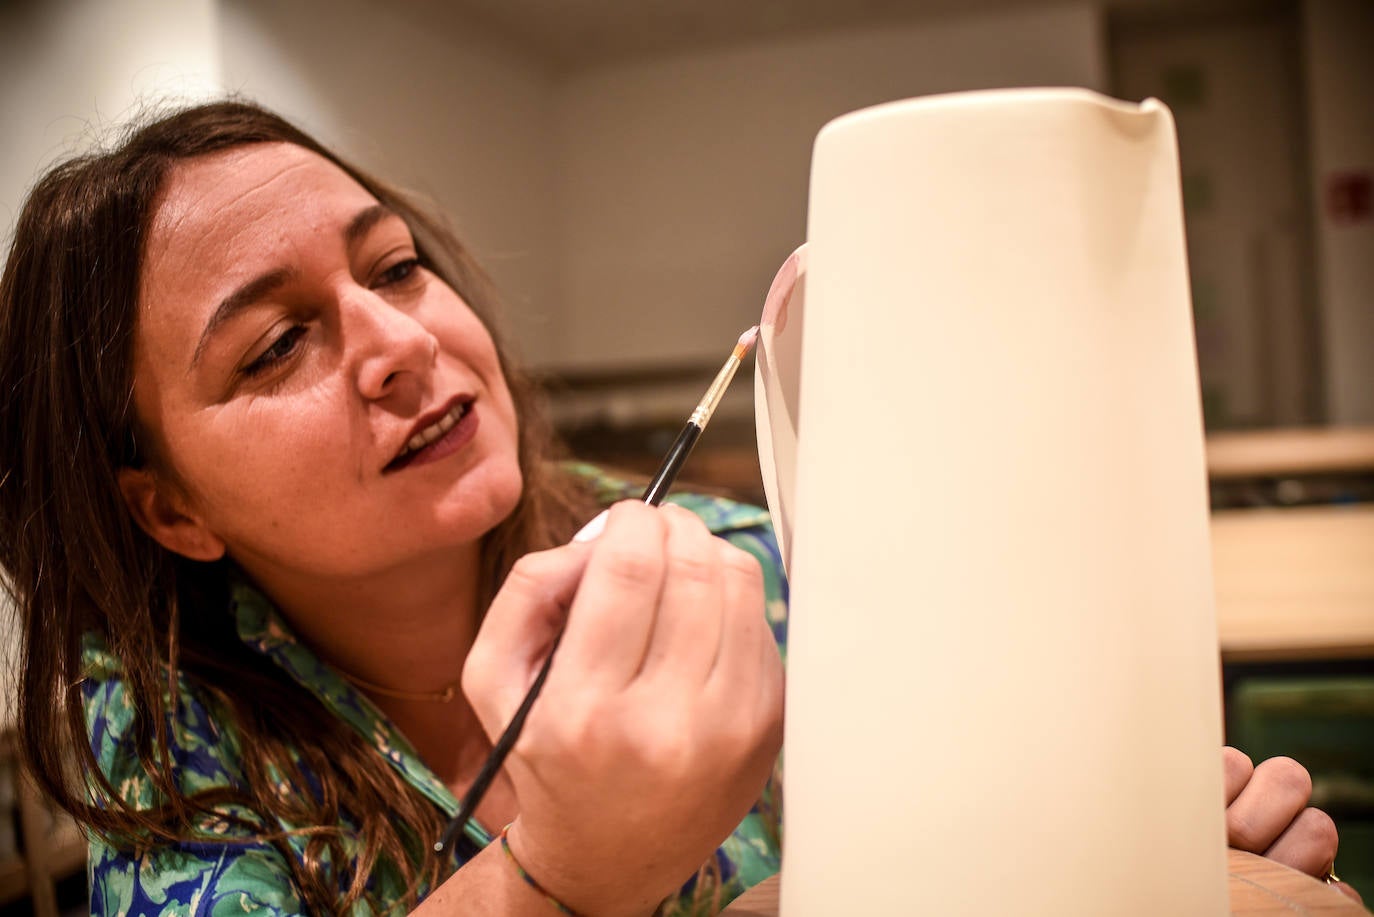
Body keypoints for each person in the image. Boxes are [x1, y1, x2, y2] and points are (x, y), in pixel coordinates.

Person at [0, 100, 1356, 915]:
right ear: (170, 509)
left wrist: (1107, 849)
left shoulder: (739, 567)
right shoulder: (163, 735)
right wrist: (562, 874)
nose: (396, 341)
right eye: (275, 346)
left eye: (397, 267)